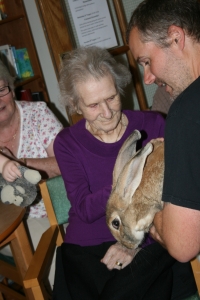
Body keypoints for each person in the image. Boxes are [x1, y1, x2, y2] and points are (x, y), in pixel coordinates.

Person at [53, 45, 189, 300]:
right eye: (93, 105)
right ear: (76, 105)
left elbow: (175, 198)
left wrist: (134, 246)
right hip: (88, 248)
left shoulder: (153, 125)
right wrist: (125, 181)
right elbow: (84, 208)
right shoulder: (67, 143)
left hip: (150, 240)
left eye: (111, 97)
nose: (107, 112)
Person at [126, 0, 200, 284]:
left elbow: (183, 245)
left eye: (146, 61)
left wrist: (152, 214)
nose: (147, 78)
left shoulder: (186, 113)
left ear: (176, 37)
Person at [0, 59, 63, 286]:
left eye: (1, 89)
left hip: (56, 211)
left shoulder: (38, 114)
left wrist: (20, 163)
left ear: (12, 85)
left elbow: (66, 164)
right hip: (8, 226)